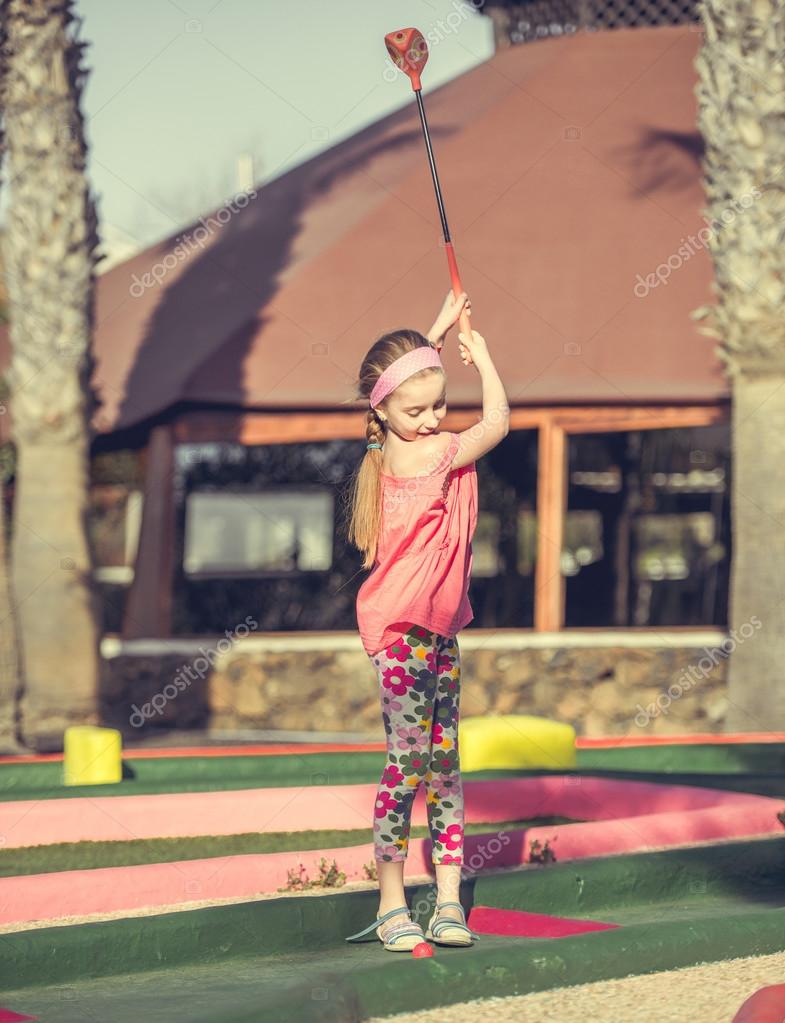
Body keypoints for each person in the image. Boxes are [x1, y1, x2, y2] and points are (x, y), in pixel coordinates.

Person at [343, 290, 509, 951]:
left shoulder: (405, 435)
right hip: (402, 633)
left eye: (438, 407)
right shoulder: (426, 454)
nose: (431, 418)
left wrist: (435, 336)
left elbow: (409, 382)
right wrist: (485, 359)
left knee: (444, 765)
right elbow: (494, 422)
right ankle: (390, 901)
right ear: (379, 410)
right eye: (415, 410)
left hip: (438, 629)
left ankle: (445, 899)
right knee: (407, 764)